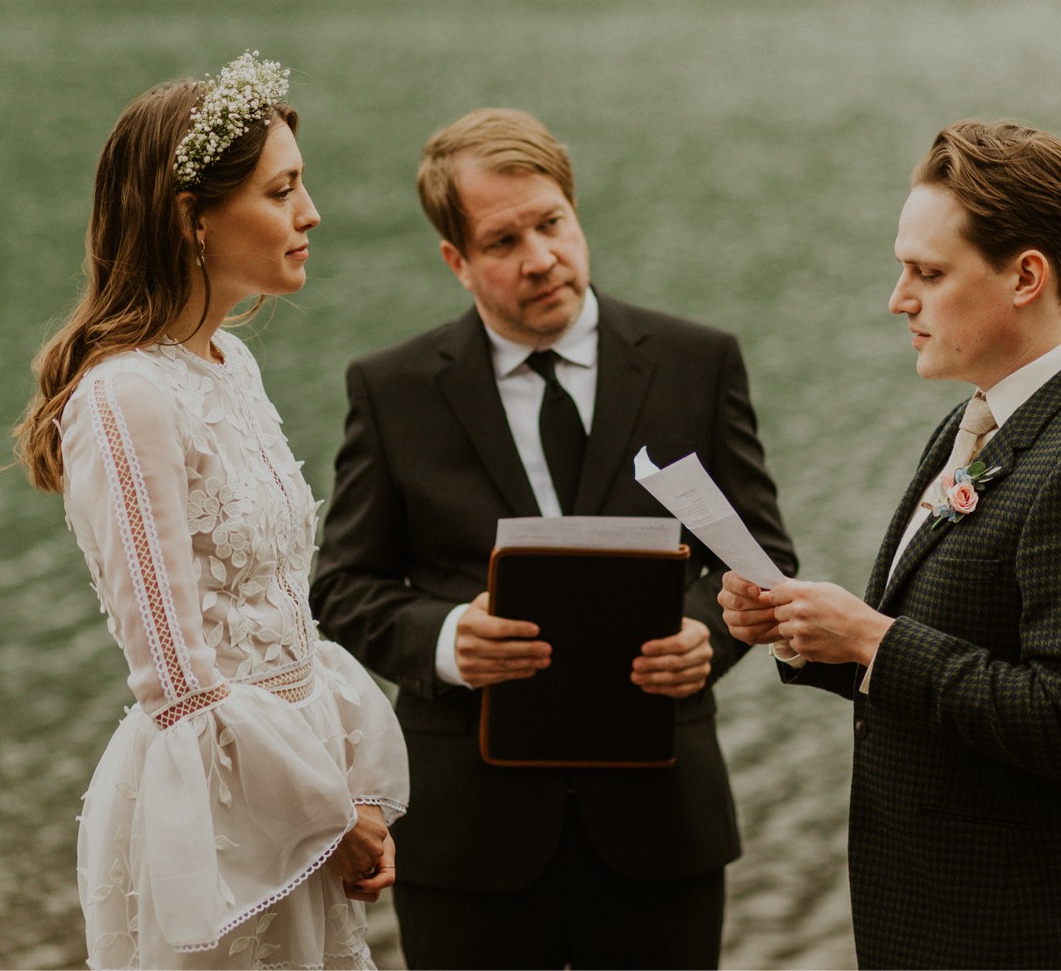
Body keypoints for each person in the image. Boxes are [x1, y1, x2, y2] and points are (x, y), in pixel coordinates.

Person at [310, 107, 796, 969]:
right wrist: (451, 640)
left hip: (662, 821)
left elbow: (758, 553)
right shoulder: (394, 390)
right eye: (503, 242)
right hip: (469, 835)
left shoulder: (697, 361)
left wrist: (707, 635)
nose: (540, 258)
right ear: (456, 261)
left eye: (553, 224)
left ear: (576, 215)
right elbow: (344, 585)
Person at [720, 119, 1061, 969]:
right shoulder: (981, 415)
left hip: (1034, 932)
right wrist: (806, 631)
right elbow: (948, 649)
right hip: (938, 921)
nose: (897, 298)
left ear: (1026, 276)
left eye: (928, 274)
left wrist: (870, 637)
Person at [12, 51, 409, 969]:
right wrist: (321, 811)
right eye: (282, 192)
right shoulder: (124, 398)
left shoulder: (234, 363)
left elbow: (284, 615)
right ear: (192, 217)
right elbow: (177, 678)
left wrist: (345, 784)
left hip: (299, 784)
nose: (310, 215)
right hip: (225, 812)